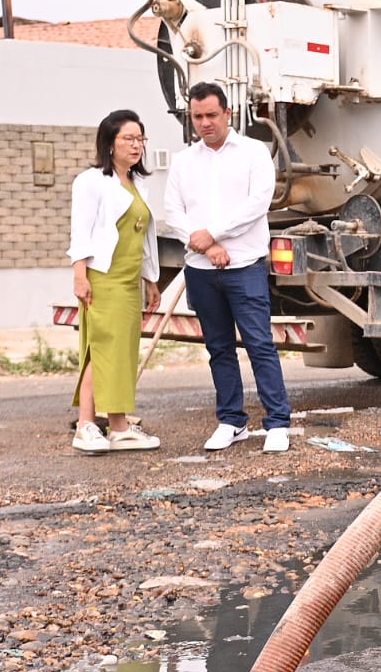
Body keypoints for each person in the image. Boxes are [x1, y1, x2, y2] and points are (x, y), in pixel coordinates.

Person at [163, 82, 292, 453]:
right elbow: (173, 211)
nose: (204, 123)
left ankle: (277, 422)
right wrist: (205, 243)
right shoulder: (183, 161)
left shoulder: (253, 153)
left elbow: (257, 203)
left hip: (245, 266)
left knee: (259, 344)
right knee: (218, 348)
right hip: (200, 269)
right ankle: (231, 421)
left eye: (211, 115)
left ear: (227, 114)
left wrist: (214, 235)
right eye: (198, 116)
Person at [67, 109, 161, 454]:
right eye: (129, 139)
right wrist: (79, 275)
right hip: (103, 277)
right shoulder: (91, 181)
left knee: (122, 351)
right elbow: (81, 231)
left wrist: (152, 280)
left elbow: (144, 238)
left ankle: (120, 427)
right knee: (103, 348)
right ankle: (86, 425)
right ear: (109, 143)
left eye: (140, 139)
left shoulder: (137, 184)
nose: (136, 146)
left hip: (129, 279)